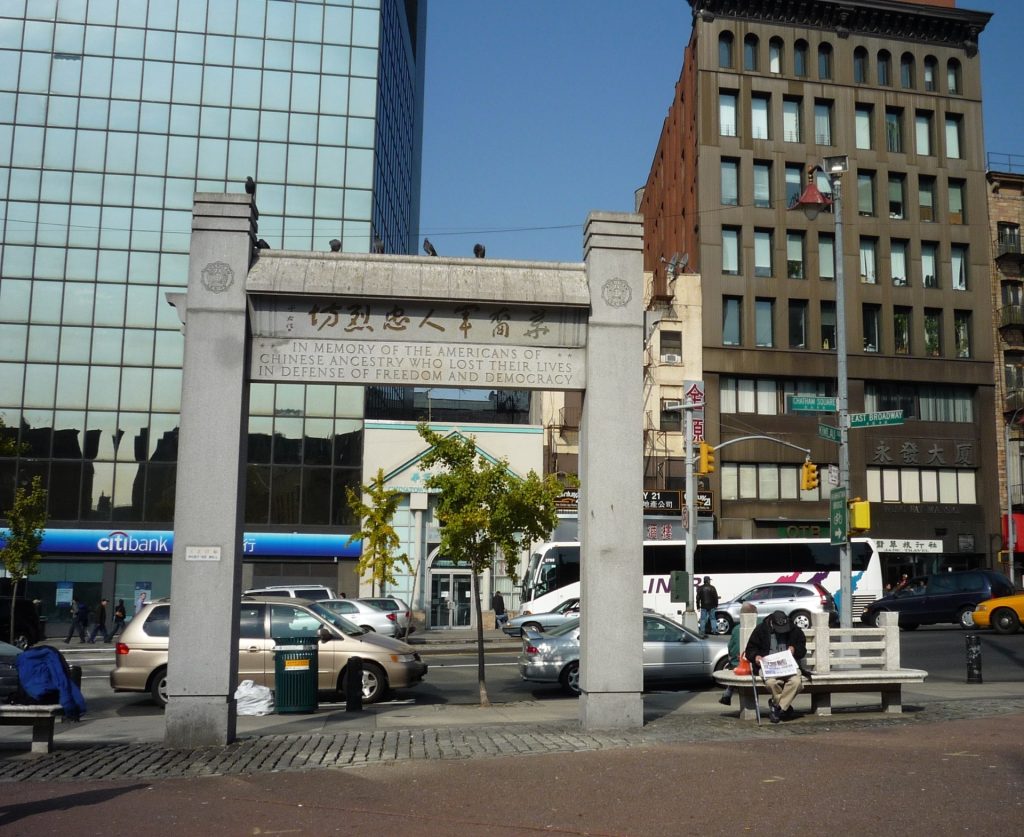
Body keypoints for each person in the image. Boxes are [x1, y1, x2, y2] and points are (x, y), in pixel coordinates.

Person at [744, 609, 808, 724]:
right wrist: (756, 657)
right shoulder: (761, 629)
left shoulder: (794, 630)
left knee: (796, 682)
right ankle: (784, 707)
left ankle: (777, 707)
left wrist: (795, 649)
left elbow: (802, 649)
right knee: (771, 683)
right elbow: (750, 650)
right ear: (772, 623)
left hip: (788, 666)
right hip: (768, 666)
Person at [719, 603, 758, 706]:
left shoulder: (736, 628)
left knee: (736, 667)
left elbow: (730, 647)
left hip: (737, 664)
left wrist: (732, 658)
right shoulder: (759, 626)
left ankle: (728, 692)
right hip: (753, 664)